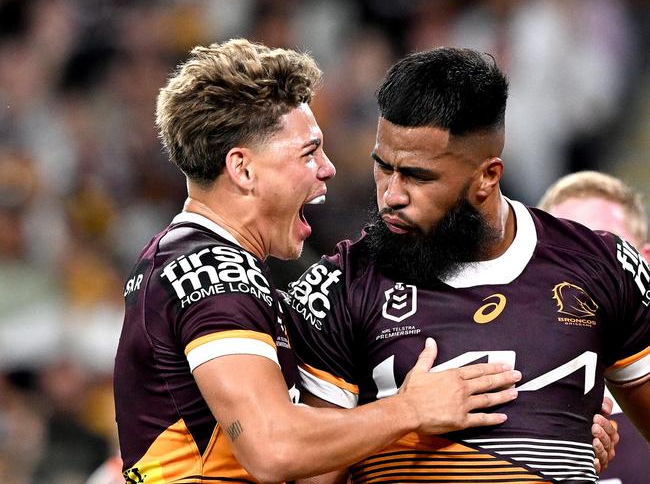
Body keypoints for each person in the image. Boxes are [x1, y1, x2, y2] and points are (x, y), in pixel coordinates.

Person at [112, 39, 525, 484]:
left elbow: (306, 462)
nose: (327, 168)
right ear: (243, 169)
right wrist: (410, 409)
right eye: (308, 153)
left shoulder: (192, 262)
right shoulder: (213, 272)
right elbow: (273, 448)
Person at [284, 47, 650, 483]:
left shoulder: (603, 266)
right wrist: (403, 415)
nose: (391, 195)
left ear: (488, 177)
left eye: (418, 176)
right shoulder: (340, 286)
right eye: (383, 167)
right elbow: (311, 473)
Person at [539, 171, 650, 484]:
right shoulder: (509, 391)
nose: (580, 272)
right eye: (560, 253)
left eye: (601, 248)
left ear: (645, 262)